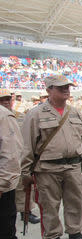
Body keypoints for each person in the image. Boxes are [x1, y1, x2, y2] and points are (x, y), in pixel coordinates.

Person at [21, 75, 82, 239]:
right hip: (47, 168)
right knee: (49, 205)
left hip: (72, 166)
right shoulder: (35, 114)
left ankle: (75, 233)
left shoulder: (75, 112)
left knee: (75, 201)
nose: (66, 90)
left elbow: (81, 135)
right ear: (48, 90)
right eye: (60, 87)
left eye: (67, 87)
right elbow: (27, 145)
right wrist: (25, 171)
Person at [0, 89, 40, 225]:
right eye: (2, 100)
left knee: (24, 186)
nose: (5, 102)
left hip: (22, 156)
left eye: (7, 99)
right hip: (5, 159)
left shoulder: (21, 116)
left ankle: (26, 212)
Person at [0, 101, 24, 239]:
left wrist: (1, 186)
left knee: (3, 235)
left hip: (1, 189)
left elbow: (11, 155)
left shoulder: (3, 116)